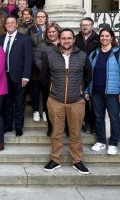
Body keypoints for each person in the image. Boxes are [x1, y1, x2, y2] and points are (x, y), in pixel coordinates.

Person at [41, 29, 92, 175]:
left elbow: (88, 75)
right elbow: (44, 77)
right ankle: (55, 160)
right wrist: (52, 91)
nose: (66, 41)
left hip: (76, 101)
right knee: (56, 133)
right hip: (55, 100)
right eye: (63, 38)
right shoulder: (50, 56)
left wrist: (80, 91)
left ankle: (77, 160)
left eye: (69, 38)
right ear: (59, 39)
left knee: (75, 133)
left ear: (74, 40)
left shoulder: (82, 56)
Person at [86, 27, 120, 156]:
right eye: (102, 36)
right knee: (98, 118)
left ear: (112, 37)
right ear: (100, 38)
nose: (104, 38)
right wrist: (88, 91)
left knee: (114, 118)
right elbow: (89, 74)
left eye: (107, 36)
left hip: (113, 92)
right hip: (96, 92)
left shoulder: (118, 53)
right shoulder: (94, 54)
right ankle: (100, 141)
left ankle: (113, 144)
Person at [0, 16, 33, 136]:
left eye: (13, 22)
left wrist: (26, 76)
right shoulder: (0, 39)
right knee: (6, 102)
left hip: (19, 77)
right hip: (3, 77)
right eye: (8, 23)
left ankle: (18, 126)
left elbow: (28, 58)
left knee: (19, 103)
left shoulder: (24, 39)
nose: (10, 24)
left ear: (17, 25)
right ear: (5, 25)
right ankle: (8, 126)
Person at [33, 23, 61, 136]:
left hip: (63, 79)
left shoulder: (63, 42)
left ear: (58, 32)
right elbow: (37, 59)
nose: (51, 34)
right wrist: (47, 70)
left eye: (53, 31)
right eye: (49, 32)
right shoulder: (42, 45)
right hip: (47, 79)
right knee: (48, 104)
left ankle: (66, 127)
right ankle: (51, 128)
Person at [75, 17, 99, 134]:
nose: (85, 27)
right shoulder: (76, 38)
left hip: (94, 72)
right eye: (83, 25)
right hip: (80, 73)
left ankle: (94, 124)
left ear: (92, 25)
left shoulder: (98, 39)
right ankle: (87, 123)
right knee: (83, 99)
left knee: (94, 100)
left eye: (87, 25)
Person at [27, 10, 49, 122]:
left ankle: (45, 111)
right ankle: (36, 111)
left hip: (47, 63)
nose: (40, 19)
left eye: (43, 17)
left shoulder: (50, 30)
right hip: (34, 63)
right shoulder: (31, 30)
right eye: (38, 17)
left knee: (45, 89)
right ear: (35, 18)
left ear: (46, 18)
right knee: (35, 89)